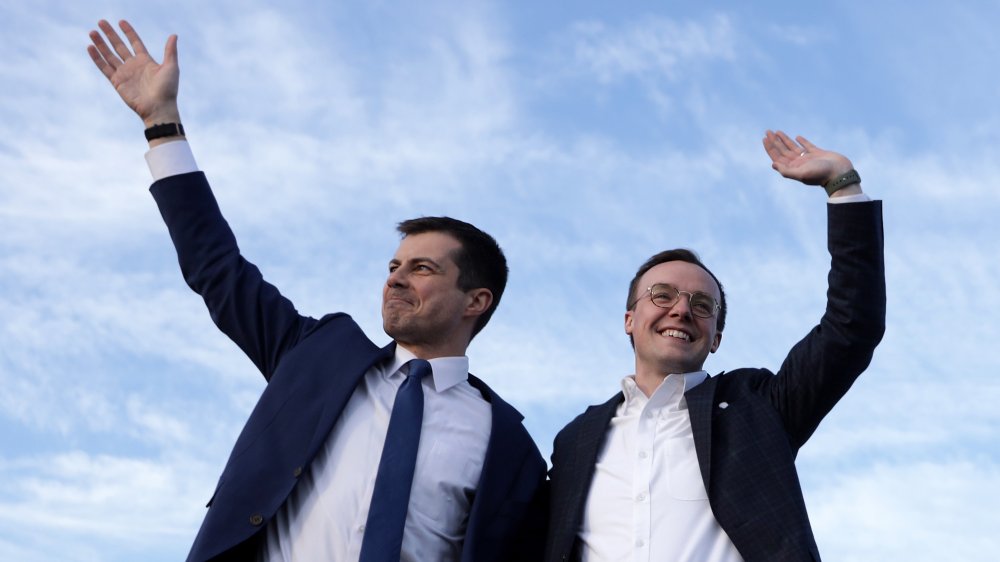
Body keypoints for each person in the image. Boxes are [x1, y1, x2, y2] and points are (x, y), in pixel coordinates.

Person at [87, 19, 545, 562]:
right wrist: (162, 124)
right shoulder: (318, 354)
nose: (395, 278)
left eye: (421, 268)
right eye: (393, 265)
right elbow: (217, 268)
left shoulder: (507, 445)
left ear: (477, 300)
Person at [544, 131, 886, 561]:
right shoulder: (576, 439)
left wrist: (842, 184)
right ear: (629, 320)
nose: (682, 310)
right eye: (662, 295)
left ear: (717, 337)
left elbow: (850, 328)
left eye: (702, 304)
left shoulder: (759, 408)